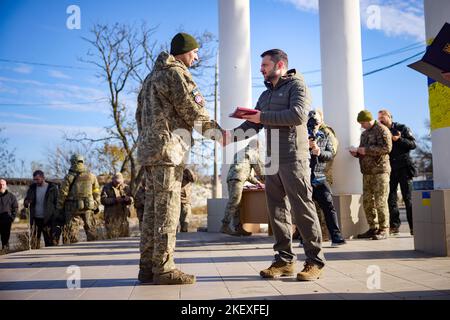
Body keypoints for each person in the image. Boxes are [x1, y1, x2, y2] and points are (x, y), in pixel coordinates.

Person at [136, 32, 225, 285]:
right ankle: (163, 269)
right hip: (169, 153)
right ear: (184, 51)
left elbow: (139, 116)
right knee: (167, 212)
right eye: (194, 51)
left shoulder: (150, 77)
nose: (196, 56)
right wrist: (219, 134)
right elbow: (193, 109)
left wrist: (149, 142)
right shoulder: (176, 73)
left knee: (152, 212)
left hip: (151, 153)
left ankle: (147, 268)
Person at [228, 49, 325, 281]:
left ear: (279, 65)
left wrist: (262, 117)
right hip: (272, 160)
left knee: (303, 209)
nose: (261, 69)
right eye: (261, 65)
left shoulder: (297, 86)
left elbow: (298, 116)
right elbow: (253, 125)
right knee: (277, 211)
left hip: (294, 157)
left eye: (265, 65)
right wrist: (227, 136)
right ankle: (284, 261)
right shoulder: (264, 95)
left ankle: (314, 261)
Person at [350, 110, 392, 240]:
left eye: (362, 123)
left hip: (380, 171)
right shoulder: (364, 134)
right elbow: (363, 151)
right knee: (367, 201)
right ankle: (373, 228)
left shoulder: (382, 130)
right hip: (367, 172)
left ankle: (384, 229)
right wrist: (356, 153)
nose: (361, 126)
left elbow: (387, 148)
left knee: (380, 201)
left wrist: (366, 150)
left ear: (368, 120)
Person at [307, 111, 346, 246]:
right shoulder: (299, 135)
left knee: (329, 207)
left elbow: (330, 154)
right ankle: (305, 238)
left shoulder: (325, 135)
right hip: (304, 177)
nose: (314, 126)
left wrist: (319, 152)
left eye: (316, 122)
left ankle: (336, 237)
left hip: (320, 176)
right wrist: (305, 147)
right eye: (311, 122)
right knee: (306, 210)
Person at [378, 109, 416, 235]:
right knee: (391, 198)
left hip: (404, 167)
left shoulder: (402, 128)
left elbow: (412, 144)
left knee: (408, 198)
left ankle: (413, 227)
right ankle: (394, 226)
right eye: (379, 119)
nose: (381, 120)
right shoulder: (381, 131)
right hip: (391, 168)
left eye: (383, 117)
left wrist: (399, 139)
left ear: (389, 117)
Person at [220, 140, 264, 237]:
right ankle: (225, 225)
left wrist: (257, 182)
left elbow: (245, 172)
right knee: (234, 202)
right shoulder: (252, 153)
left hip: (231, 178)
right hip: (237, 178)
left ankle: (238, 227)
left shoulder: (240, 152)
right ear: (256, 147)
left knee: (237, 203)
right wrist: (267, 181)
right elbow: (260, 171)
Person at [56, 154, 101, 244]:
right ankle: (93, 249)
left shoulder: (68, 177)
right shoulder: (91, 176)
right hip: (89, 206)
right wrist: (96, 204)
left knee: (71, 232)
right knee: (91, 229)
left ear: (72, 162)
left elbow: (63, 194)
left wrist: (59, 207)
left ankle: (72, 249)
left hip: (72, 208)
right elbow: (96, 191)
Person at [24, 170, 59, 248]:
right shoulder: (32, 188)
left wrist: (55, 216)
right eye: (34, 179)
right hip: (35, 219)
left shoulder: (52, 188)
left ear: (43, 178)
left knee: (49, 242)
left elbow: (57, 203)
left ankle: (49, 258)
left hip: (48, 219)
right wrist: (26, 202)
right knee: (34, 242)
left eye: (37, 179)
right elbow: (26, 201)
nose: (36, 181)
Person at [101, 172, 133, 239]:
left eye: (119, 182)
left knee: (125, 238)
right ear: (112, 180)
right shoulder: (106, 187)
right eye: (116, 182)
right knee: (111, 237)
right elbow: (103, 200)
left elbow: (132, 199)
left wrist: (129, 199)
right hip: (111, 217)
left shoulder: (126, 187)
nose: (118, 183)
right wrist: (115, 200)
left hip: (123, 216)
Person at [0, 179, 18, 252]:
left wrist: (12, 218)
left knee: (5, 238)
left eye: (3, 184)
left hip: (6, 221)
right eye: (0, 184)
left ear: (6, 185)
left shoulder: (11, 196)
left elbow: (15, 208)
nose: (1, 186)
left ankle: (5, 251)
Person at [179, 168, 196, 233]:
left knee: (185, 223)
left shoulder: (186, 171)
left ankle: (183, 233)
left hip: (185, 201)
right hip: (177, 201)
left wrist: (189, 172)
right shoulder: (174, 171)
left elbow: (193, 179)